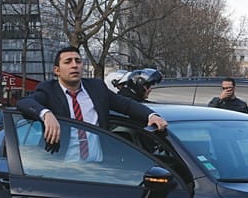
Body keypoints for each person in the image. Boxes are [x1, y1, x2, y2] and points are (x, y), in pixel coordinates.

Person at [16, 46, 168, 150]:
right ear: (57, 70)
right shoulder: (49, 90)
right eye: (68, 62)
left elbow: (126, 105)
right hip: (61, 165)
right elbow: (24, 102)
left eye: (78, 61)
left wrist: (151, 115)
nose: (74, 65)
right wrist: (46, 114)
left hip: (98, 168)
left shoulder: (96, 88)